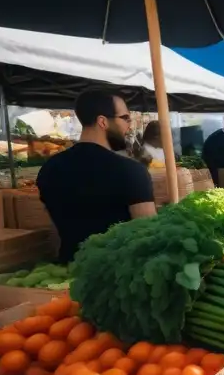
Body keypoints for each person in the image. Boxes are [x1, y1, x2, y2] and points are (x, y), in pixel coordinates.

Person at [38, 89, 156, 263]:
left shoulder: (49, 169)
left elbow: (56, 232)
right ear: (103, 122)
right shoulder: (130, 171)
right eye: (125, 118)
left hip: (69, 273)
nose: (129, 126)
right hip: (116, 277)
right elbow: (149, 236)